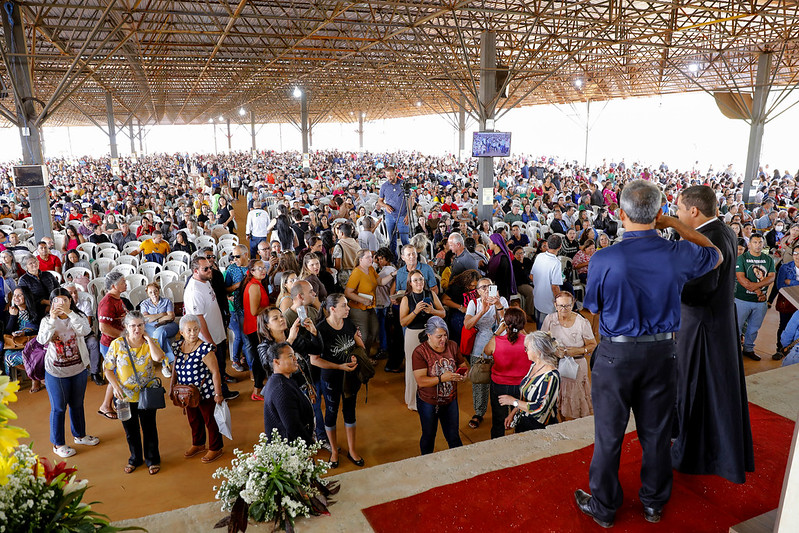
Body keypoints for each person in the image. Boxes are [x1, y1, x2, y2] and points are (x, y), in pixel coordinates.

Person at [574, 180, 721, 528]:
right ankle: (654, 503)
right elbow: (714, 252)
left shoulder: (604, 258)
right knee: (656, 434)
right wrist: (675, 225)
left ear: (621, 214)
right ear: (658, 214)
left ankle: (605, 508)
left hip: (615, 355)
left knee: (609, 435)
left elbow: (592, 307)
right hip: (662, 354)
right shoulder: (677, 252)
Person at [671, 185, 754, 484]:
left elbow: (701, 288)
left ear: (693, 210)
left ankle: (691, 452)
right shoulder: (724, 231)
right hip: (717, 322)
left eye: (680, 209)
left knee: (693, 387)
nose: (677, 215)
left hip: (701, 325)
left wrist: (668, 285)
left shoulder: (706, 239)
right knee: (711, 389)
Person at [38, 293, 99, 458]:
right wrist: (52, 318)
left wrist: (71, 313)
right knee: (58, 408)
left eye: (65, 300)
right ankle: (58, 444)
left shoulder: (77, 316)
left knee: (77, 404)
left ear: (71, 301)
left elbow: (85, 331)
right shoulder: (46, 320)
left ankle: (80, 435)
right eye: (57, 300)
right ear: (52, 303)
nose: (62, 303)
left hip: (77, 368)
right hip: (56, 371)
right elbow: (42, 340)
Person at [104, 311, 165, 475]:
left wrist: (148, 339)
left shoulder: (150, 342)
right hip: (124, 397)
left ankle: (152, 459)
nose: (136, 329)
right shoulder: (117, 344)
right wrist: (115, 386)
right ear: (126, 327)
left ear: (144, 326)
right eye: (133, 326)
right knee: (130, 431)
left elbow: (159, 358)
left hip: (147, 395)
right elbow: (108, 369)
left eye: (140, 325)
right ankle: (135, 458)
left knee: (149, 428)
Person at [312, 293, 364, 468]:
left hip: (350, 377)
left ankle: (352, 449)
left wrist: (357, 356)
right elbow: (315, 360)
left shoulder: (348, 324)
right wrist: (339, 366)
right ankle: (334, 450)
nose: (348, 308)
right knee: (332, 413)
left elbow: (359, 346)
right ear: (332, 309)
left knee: (350, 411)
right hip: (331, 378)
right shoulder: (320, 330)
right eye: (344, 305)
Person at [171, 314, 225, 464]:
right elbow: (175, 369)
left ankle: (216, 447)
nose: (193, 333)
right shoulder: (178, 347)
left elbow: (215, 372)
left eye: (196, 329)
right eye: (189, 330)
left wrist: (218, 393)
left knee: (210, 420)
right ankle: (198, 443)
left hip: (205, 392)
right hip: (186, 393)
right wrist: (173, 386)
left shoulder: (205, 349)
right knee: (193, 419)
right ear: (181, 332)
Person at [184, 256, 239, 400]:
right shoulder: (194, 291)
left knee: (220, 366)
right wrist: (210, 342)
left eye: (211, 267)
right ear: (195, 271)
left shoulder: (205, 281)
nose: (210, 270)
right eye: (206, 269)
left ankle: (223, 391)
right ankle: (218, 395)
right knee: (213, 369)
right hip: (208, 339)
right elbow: (199, 320)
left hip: (217, 333)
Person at [412, 316, 467, 455]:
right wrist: (442, 378)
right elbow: (421, 381)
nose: (443, 340)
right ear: (429, 335)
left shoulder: (452, 345)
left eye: (445, 335)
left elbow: (463, 365)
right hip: (429, 402)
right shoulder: (420, 352)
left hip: (450, 399)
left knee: (454, 436)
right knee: (429, 436)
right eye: (439, 336)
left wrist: (463, 374)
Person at [542, 291, 596, 419]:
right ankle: (563, 423)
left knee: (576, 398)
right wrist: (553, 351)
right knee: (558, 397)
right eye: (560, 306)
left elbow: (592, 345)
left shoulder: (582, 322)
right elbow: (542, 341)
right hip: (555, 365)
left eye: (567, 306)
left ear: (573, 305)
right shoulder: (550, 319)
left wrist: (574, 351)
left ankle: (576, 426)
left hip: (576, 367)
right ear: (555, 305)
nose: (564, 309)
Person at [463, 277, 507, 429]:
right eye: (483, 287)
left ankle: (501, 410)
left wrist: (498, 305)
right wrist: (482, 311)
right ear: (478, 291)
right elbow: (467, 325)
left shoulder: (501, 301)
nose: (487, 289)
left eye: (490, 286)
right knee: (479, 380)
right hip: (480, 346)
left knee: (501, 379)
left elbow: (507, 322)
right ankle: (479, 411)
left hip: (500, 345)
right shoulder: (473, 303)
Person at [399, 270, 446, 410]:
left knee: (432, 365)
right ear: (410, 283)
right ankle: (414, 401)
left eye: (421, 279)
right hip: (413, 334)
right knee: (414, 367)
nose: (419, 282)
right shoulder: (406, 298)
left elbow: (443, 313)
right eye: (415, 280)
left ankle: (432, 398)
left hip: (430, 334)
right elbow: (403, 322)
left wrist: (432, 311)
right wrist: (415, 311)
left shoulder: (431, 294)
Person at [498, 331, 561, 432]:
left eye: (527, 348)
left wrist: (513, 402)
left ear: (538, 352)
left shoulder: (551, 376)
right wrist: (513, 412)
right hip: (524, 422)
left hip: (539, 428)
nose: (525, 351)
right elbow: (525, 396)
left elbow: (539, 409)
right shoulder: (534, 365)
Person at [482, 307, 530, 438]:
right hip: (522, 386)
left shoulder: (495, 341)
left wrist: (497, 332)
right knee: (521, 417)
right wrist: (521, 329)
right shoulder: (529, 342)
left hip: (499, 385)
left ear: (505, 324)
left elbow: (486, 352)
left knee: (498, 419)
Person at [262, 342, 316, 444]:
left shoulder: (282, 380)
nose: (295, 359)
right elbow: (293, 426)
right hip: (291, 450)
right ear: (276, 362)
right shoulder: (282, 388)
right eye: (290, 356)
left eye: (294, 355)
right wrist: (309, 444)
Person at [97, 271, 133, 419]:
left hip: (118, 344)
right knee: (115, 376)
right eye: (123, 282)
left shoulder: (118, 299)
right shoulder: (107, 303)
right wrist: (123, 336)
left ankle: (112, 403)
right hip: (110, 345)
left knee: (119, 374)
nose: (126, 284)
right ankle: (106, 405)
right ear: (113, 286)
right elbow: (103, 328)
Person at [735, 233, 775, 361]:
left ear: (763, 244)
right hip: (742, 299)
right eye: (755, 242)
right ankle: (734, 350)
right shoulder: (742, 259)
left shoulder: (768, 259)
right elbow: (741, 279)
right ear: (749, 244)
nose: (758, 245)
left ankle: (748, 349)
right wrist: (759, 292)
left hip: (760, 302)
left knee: (754, 327)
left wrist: (755, 287)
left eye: (760, 242)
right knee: (737, 326)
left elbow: (771, 277)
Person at [241, 259, 270, 400]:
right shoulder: (254, 287)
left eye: (264, 268)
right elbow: (254, 311)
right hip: (255, 327)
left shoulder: (256, 284)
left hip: (255, 326)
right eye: (259, 268)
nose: (263, 270)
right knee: (259, 359)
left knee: (259, 358)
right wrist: (271, 307)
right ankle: (257, 391)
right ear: (252, 271)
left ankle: (259, 387)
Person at [4, 286, 42, 392]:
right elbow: (6, 333)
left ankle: (35, 379)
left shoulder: (37, 309)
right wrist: (12, 317)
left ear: (26, 296)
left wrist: (26, 332)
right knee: (8, 356)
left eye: (19, 295)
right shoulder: (11, 312)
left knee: (31, 355)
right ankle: (12, 382)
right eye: (14, 295)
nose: (16, 297)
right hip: (19, 344)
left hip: (35, 343)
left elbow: (42, 330)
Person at [344, 249, 379, 359]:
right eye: (368, 257)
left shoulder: (371, 269)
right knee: (363, 336)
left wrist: (394, 274)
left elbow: (380, 282)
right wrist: (362, 300)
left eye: (371, 256)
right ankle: (360, 360)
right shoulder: (357, 273)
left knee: (374, 330)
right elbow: (347, 292)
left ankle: (365, 357)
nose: (371, 259)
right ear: (360, 260)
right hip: (357, 308)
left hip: (369, 306)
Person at [139, 283, 178, 378]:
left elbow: (171, 317)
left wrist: (154, 318)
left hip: (168, 325)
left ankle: (154, 356)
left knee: (160, 331)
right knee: (164, 339)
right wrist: (162, 314)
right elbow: (145, 319)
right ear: (147, 294)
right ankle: (166, 364)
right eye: (150, 292)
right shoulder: (144, 304)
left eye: (155, 291)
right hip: (150, 327)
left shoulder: (167, 301)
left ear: (159, 291)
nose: (153, 294)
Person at [531, 234, 564, 329]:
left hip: (537, 297)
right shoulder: (556, 263)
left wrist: (540, 285)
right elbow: (555, 287)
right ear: (560, 246)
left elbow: (531, 275)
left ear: (548, 245)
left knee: (539, 327)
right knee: (546, 331)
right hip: (548, 302)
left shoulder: (539, 256)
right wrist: (559, 303)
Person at [377, 166, 410, 257]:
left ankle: (408, 259)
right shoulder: (384, 186)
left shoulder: (403, 184)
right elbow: (380, 201)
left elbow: (410, 200)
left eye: (391, 176)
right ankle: (393, 260)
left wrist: (408, 214)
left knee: (405, 240)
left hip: (402, 215)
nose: (390, 178)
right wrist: (385, 205)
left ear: (395, 174)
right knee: (392, 240)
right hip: (390, 216)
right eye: (388, 176)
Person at [486, 233, 516, 301]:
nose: (489, 244)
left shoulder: (503, 259)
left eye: (490, 242)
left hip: (500, 290)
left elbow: (503, 279)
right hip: (493, 286)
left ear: (496, 244)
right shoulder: (494, 255)